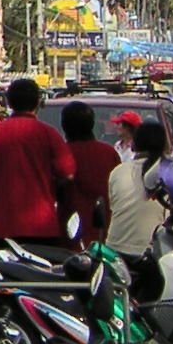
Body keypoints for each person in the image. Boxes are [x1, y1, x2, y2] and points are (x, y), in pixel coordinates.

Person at [0, 77, 75, 250]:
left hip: (4, 225)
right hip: (42, 224)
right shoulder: (49, 134)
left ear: (9, 103)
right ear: (37, 102)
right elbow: (68, 173)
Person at [61, 100, 121, 249]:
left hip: (68, 234)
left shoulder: (61, 153)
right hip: (105, 232)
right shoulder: (109, 153)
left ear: (64, 125)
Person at [107, 121, 169, 257]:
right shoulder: (170, 173)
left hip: (116, 250)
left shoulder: (118, 172)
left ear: (134, 144)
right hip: (156, 252)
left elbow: (113, 207)